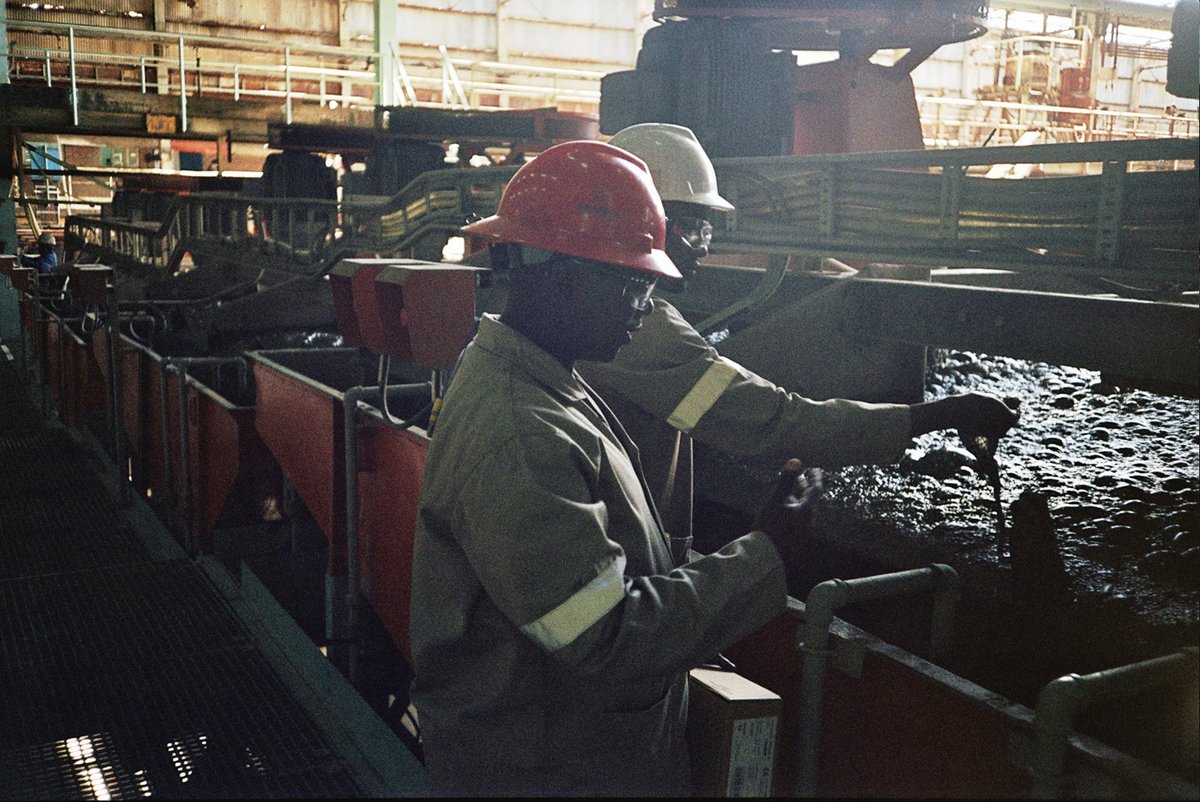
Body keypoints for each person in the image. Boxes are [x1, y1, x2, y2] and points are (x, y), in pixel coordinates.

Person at [409, 140, 821, 796]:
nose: (644, 306)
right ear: (560, 271)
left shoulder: (545, 382)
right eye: (632, 282)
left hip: (564, 749)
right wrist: (763, 557)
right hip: (551, 772)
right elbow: (605, 637)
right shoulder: (520, 430)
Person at [577, 123, 1020, 552]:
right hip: (620, 574)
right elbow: (772, 419)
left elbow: (725, 413)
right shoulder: (638, 329)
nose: (705, 245)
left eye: (709, 228)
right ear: (646, 220)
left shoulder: (597, 308)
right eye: (695, 226)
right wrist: (937, 415)